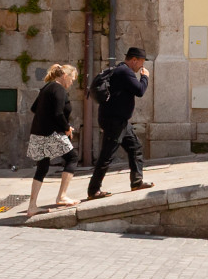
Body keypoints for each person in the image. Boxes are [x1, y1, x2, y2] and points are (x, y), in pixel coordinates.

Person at [84, 47, 152, 198]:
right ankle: (93, 190)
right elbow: (140, 91)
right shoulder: (125, 72)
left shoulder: (120, 69)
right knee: (106, 155)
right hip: (114, 121)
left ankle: (137, 182)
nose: (142, 66)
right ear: (134, 60)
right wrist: (145, 77)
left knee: (135, 148)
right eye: (141, 62)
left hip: (120, 121)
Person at [25, 63, 79, 217]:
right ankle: (62, 196)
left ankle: (32, 206)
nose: (72, 83)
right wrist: (67, 128)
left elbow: (34, 108)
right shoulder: (59, 89)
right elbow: (58, 113)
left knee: (42, 166)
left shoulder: (47, 87)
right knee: (72, 158)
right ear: (65, 76)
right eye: (72, 79)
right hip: (51, 133)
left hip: (38, 132)